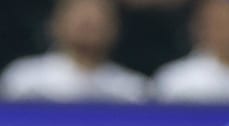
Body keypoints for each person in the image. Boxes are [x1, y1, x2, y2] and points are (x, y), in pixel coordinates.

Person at [1, 0, 148, 102]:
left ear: (116, 27)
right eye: (78, 14)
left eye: (99, 15)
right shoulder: (24, 79)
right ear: (55, 23)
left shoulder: (132, 90)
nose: (89, 22)